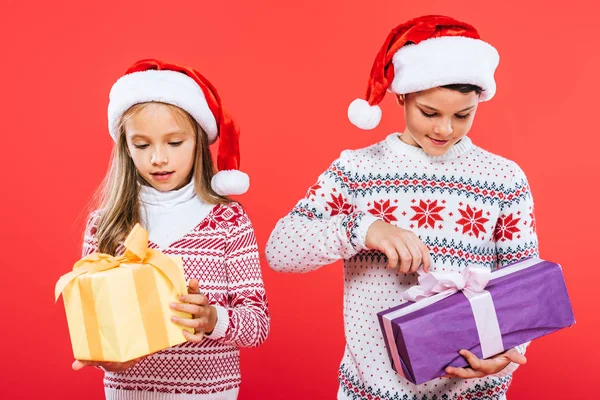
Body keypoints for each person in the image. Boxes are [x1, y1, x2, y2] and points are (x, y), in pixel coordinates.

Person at [266, 15, 536, 400]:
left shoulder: (504, 178)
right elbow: (281, 250)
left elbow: (523, 284)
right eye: (429, 113)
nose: (445, 129)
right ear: (401, 95)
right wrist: (365, 230)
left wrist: (509, 353)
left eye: (463, 115)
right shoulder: (357, 170)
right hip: (373, 390)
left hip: (472, 392)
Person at [74, 59, 270, 400]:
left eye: (174, 143)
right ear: (125, 147)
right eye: (142, 145)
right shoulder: (104, 226)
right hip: (128, 393)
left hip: (211, 392)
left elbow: (258, 325)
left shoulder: (229, 221)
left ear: (198, 141)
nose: (158, 159)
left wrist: (211, 318)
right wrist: (105, 356)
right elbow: (100, 324)